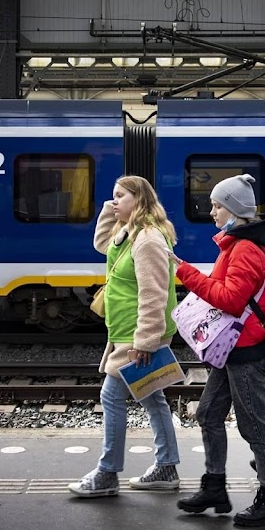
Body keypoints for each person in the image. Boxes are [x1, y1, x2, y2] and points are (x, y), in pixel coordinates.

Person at [169, 174, 265, 528]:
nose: (212, 212)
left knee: (255, 427)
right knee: (208, 413)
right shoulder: (236, 245)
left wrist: (185, 272)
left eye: (217, 205)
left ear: (234, 210)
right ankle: (214, 487)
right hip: (231, 346)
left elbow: (231, 300)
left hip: (247, 351)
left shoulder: (246, 250)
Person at [68, 175, 181, 497]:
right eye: (112, 195)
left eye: (120, 196)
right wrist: (112, 208)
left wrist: (145, 341)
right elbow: (103, 244)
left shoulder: (147, 240)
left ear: (140, 200)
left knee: (111, 396)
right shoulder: (130, 234)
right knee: (152, 395)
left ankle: (107, 473)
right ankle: (166, 467)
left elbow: (154, 293)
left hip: (138, 334)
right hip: (125, 330)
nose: (114, 200)